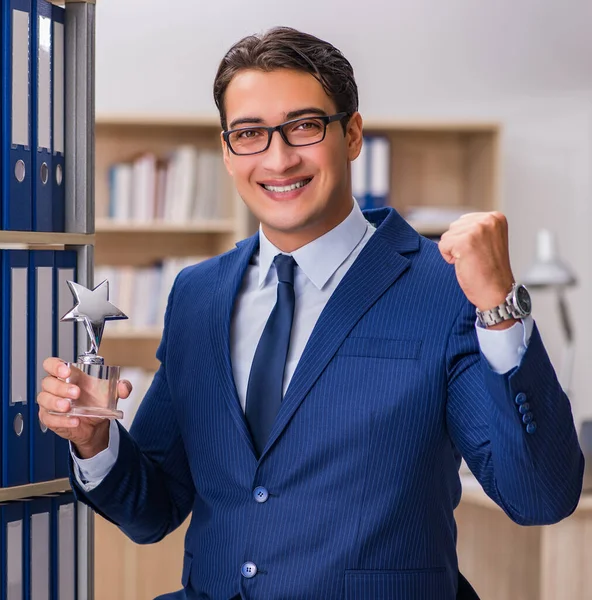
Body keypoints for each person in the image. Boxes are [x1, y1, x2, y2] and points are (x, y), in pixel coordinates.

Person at [38, 27, 584, 600]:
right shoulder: (196, 295)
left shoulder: (445, 286)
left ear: (351, 135)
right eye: (249, 133)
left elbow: (539, 497)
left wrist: (499, 306)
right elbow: (154, 511)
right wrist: (95, 442)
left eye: (303, 126)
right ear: (227, 151)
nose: (278, 158)